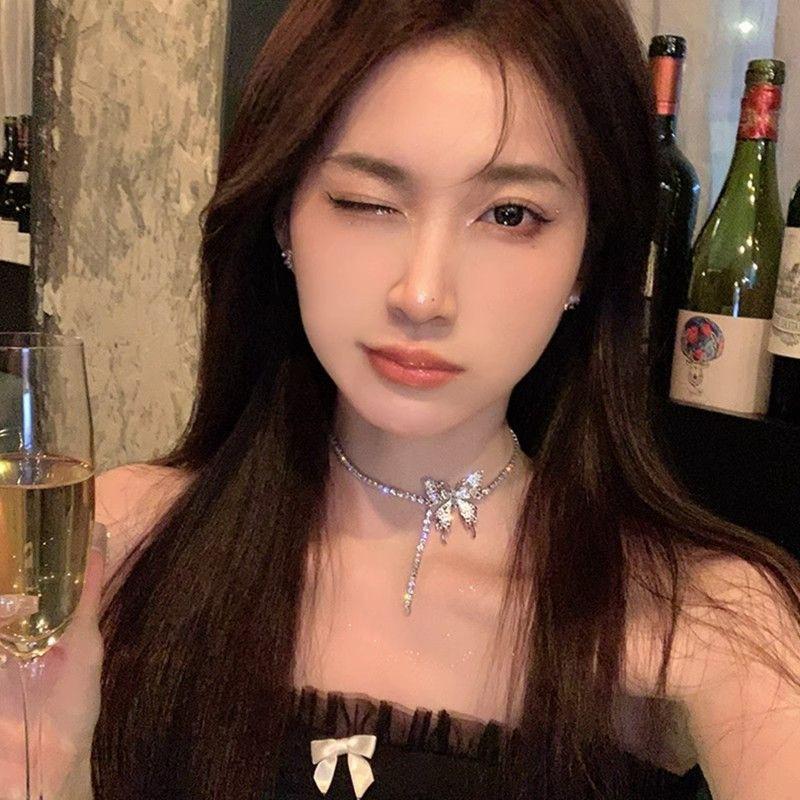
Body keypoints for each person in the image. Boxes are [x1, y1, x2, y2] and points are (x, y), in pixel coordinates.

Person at [2, 0, 800, 798]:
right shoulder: (112, 548)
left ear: (589, 257)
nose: (422, 295)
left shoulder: (707, 623)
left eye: (510, 215)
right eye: (367, 202)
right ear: (283, 218)